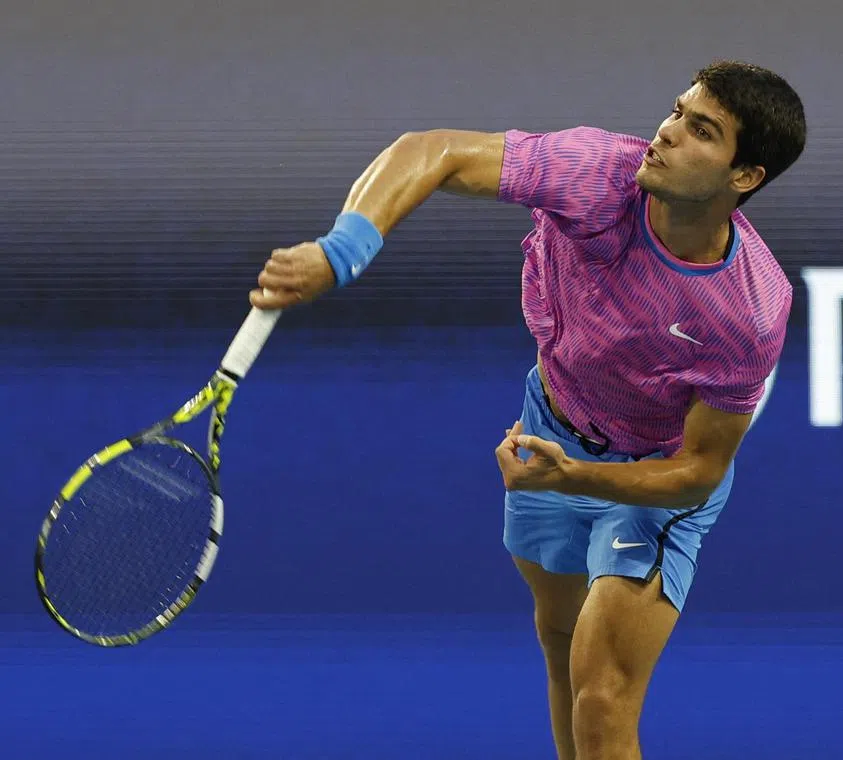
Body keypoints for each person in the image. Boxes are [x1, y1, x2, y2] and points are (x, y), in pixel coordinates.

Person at [250, 59, 807, 760]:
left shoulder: (749, 310)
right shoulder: (598, 171)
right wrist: (341, 252)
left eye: (702, 131)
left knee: (603, 697)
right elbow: (433, 150)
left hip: (651, 479)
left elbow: (698, 472)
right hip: (550, 422)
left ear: (744, 176)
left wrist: (570, 477)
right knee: (561, 642)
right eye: (675, 112)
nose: (666, 133)